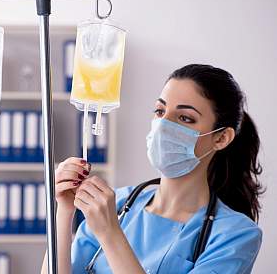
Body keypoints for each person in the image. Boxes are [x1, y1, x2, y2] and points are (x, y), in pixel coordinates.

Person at [40, 64, 264, 274]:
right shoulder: (116, 204)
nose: (163, 126)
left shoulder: (235, 235)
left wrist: (110, 233)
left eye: (185, 118)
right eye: (160, 111)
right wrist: (64, 210)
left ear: (221, 138)